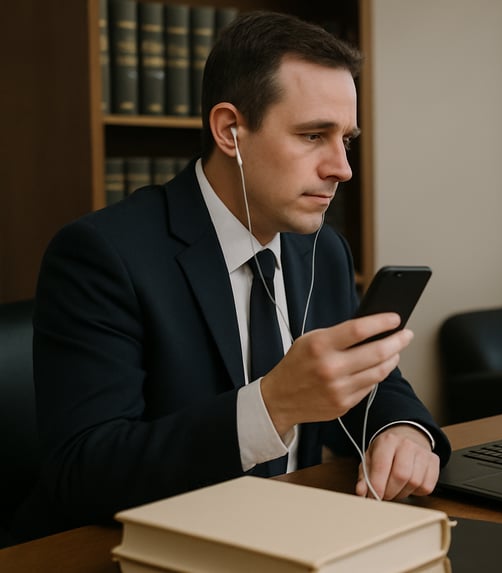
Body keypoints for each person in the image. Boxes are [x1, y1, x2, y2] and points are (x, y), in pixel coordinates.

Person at [13, 11, 450, 542]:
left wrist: (401, 430)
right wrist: (274, 404)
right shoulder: (102, 256)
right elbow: (83, 473)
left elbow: (368, 380)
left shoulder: (323, 249)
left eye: (346, 140)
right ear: (230, 131)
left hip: (291, 538)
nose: (342, 168)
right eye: (314, 135)